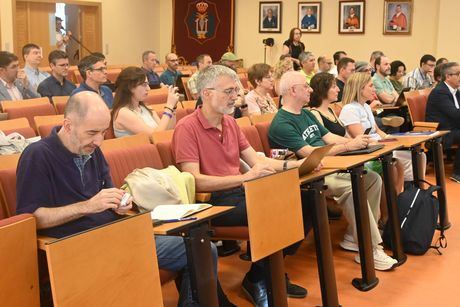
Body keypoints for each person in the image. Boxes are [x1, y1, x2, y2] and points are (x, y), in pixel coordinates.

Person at [15, 91, 234, 307]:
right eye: (92, 132)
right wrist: (88, 206)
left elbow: (108, 195)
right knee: (196, 251)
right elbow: (33, 217)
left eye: (103, 132)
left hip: (116, 236)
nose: (99, 140)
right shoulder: (38, 155)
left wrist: (120, 204)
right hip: (77, 249)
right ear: (68, 125)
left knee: (202, 249)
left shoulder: (93, 150)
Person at [173, 65, 310, 306]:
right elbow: (194, 180)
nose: (235, 97)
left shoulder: (230, 123)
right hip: (211, 202)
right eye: (228, 91)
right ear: (207, 93)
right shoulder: (187, 128)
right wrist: (245, 178)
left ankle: (261, 274)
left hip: (240, 192)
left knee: (306, 201)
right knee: (277, 211)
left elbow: (257, 161)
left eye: (235, 91)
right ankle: (264, 277)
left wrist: (299, 165)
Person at [268, 71, 397, 271]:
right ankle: (370, 249)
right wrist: (347, 147)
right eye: (306, 86)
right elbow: (309, 153)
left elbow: (329, 137)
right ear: (293, 91)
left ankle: (356, 238)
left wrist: (356, 142)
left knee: (372, 179)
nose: (311, 90)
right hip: (309, 173)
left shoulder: (305, 114)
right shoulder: (282, 123)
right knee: (351, 187)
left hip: (327, 164)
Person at [339, 73, 425, 193]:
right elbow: (361, 139)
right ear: (360, 88)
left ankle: (415, 193)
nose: (374, 89)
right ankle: (401, 198)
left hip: (379, 145)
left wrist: (392, 139)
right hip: (368, 153)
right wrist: (386, 144)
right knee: (396, 164)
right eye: (371, 86)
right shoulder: (349, 109)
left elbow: (377, 130)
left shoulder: (366, 107)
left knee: (419, 155)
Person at [112, 67, 179, 137]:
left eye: (148, 84)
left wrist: (173, 108)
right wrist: (169, 107)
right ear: (130, 87)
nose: (148, 88)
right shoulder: (123, 113)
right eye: (144, 85)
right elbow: (156, 136)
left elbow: (167, 130)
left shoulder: (146, 108)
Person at [426, 62, 460, 183]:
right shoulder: (440, 92)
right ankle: (457, 173)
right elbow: (455, 114)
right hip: (441, 131)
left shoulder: (454, 90)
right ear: (448, 76)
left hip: (453, 127)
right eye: (458, 74)